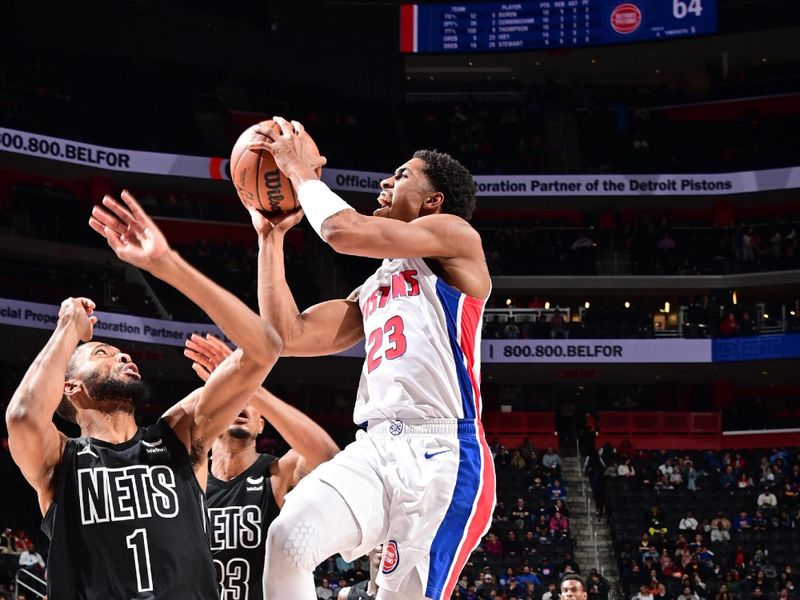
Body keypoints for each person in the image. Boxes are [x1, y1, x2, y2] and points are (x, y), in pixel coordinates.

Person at [247, 118, 495, 600]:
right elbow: (287, 333)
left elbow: (341, 231)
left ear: (433, 201)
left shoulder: (455, 236)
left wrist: (300, 173)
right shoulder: (379, 283)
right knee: (287, 540)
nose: (385, 182)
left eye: (401, 175)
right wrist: (270, 239)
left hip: (444, 456)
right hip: (375, 447)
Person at [6, 191, 282, 599]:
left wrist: (166, 265)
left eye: (122, 353)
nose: (122, 355)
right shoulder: (58, 460)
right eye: (103, 353)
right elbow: (23, 417)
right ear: (72, 388)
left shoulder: (176, 434)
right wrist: (68, 328)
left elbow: (264, 348)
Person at [185, 334, 339, 599]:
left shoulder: (277, 474)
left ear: (261, 425)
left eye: (248, 401)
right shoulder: (190, 478)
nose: (241, 403)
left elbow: (327, 456)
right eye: (232, 399)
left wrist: (252, 386)